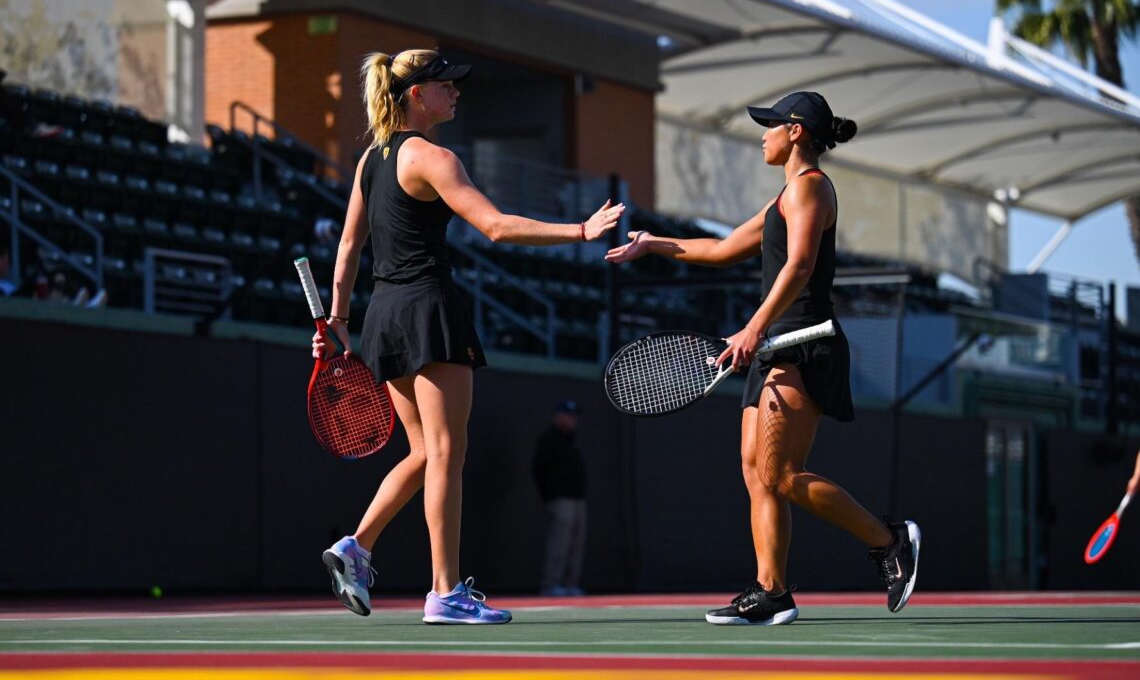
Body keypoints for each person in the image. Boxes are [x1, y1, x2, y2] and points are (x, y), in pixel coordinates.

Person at [312, 49, 624, 625]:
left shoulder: (368, 162)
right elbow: (497, 227)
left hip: (384, 316)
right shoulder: (433, 158)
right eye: (444, 85)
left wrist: (336, 320)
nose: (455, 93)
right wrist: (581, 229)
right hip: (428, 308)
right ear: (414, 95)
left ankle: (355, 546)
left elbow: (349, 246)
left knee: (427, 452)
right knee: (448, 454)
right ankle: (445, 593)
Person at [606, 91, 919, 626]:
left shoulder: (812, 189)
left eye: (770, 126)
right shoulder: (784, 197)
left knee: (781, 474)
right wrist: (653, 243)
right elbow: (723, 248)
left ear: (796, 132)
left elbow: (799, 267)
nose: (763, 135)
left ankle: (890, 541)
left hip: (802, 339)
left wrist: (752, 326)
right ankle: (771, 591)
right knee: (756, 474)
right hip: (773, 343)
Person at [533, 399, 588, 596]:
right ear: (557, 416)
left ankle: (570, 584)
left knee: (576, 543)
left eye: (574, 415)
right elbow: (539, 470)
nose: (572, 419)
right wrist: (548, 496)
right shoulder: (548, 440)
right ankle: (551, 584)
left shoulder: (573, 440)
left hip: (578, 499)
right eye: (567, 414)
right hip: (559, 499)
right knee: (559, 542)